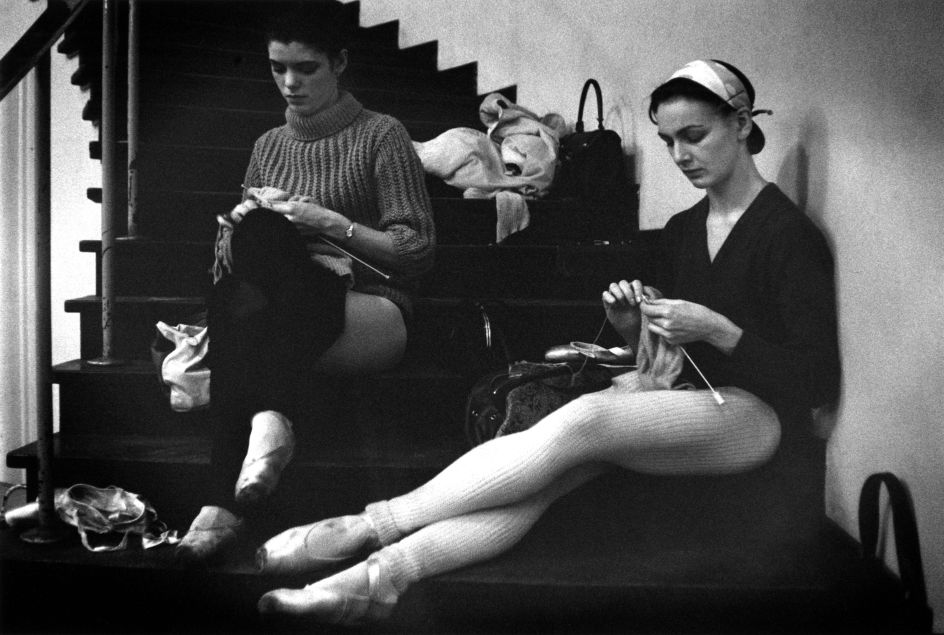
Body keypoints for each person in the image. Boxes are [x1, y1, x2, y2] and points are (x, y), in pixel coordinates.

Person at [250, 59, 841, 624]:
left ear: (741, 124)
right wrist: (636, 328)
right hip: (685, 400)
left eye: (695, 135)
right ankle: (379, 581)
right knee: (541, 481)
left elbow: (815, 380)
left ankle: (370, 526)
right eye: (667, 141)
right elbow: (673, 357)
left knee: (583, 421)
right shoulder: (685, 228)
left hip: (757, 418)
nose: (681, 155)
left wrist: (715, 328)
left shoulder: (788, 235)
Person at [175, 3, 435, 563]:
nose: (289, 83)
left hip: (372, 308)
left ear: (340, 62)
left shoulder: (382, 135)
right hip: (292, 312)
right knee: (254, 243)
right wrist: (235, 234)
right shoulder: (268, 146)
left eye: (307, 68)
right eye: (276, 67)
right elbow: (236, 268)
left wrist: (326, 221)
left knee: (246, 311)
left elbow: (415, 252)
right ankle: (270, 423)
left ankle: (224, 500)